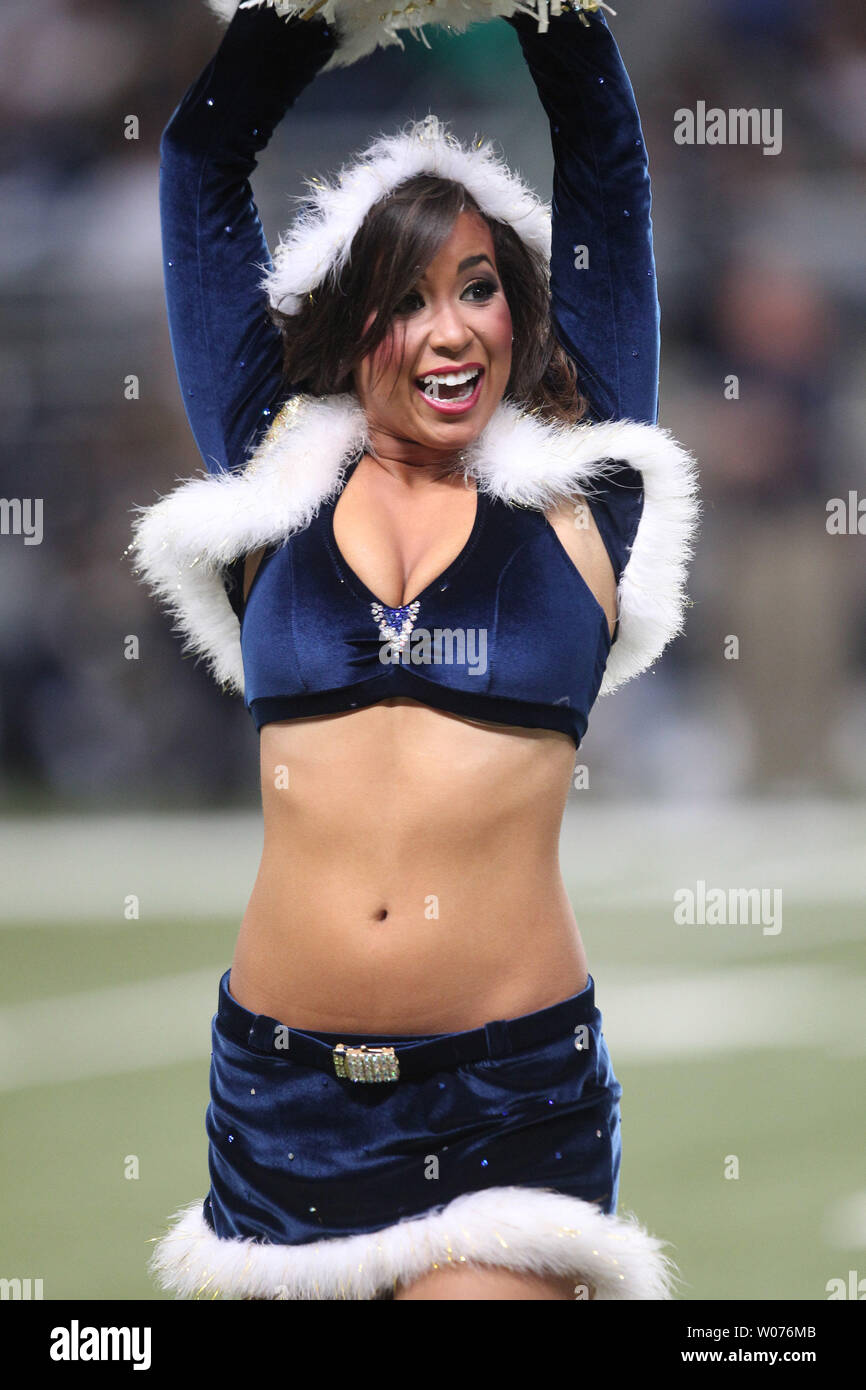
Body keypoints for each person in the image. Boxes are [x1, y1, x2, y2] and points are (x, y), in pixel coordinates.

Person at [130, 0, 699, 1300]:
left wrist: (544, 7)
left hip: (507, 1098)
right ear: (345, 324)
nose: (450, 332)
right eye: (404, 298)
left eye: (479, 288)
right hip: (280, 1105)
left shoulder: (584, 488)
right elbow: (198, 164)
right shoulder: (271, 469)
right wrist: (301, 11)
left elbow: (601, 149)